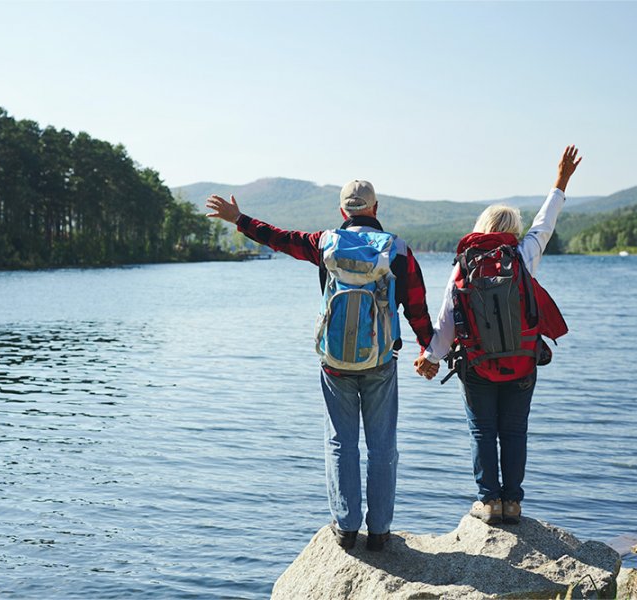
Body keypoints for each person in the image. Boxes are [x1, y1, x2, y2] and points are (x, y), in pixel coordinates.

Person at [206, 181, 434, 551]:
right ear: (376, 209)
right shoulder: (399, 249)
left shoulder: (325, 242)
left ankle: (345, 527)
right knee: (382, 446)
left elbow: (280, 238)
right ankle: (379, 531)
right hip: (380, 362)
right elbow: (417, 307)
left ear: (343, 211)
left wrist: (240, 219)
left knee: (340, 442)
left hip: (334, 363)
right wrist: (429, 349)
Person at [414, 145, 582, 526]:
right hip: (522, 362)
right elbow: (546, 222)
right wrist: (561, 180)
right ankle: (514, 503)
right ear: (513, 232)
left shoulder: (464, 264)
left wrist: (430, 357)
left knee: (482, 431)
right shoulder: (522, 256)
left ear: (482, 227)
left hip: (476, 365)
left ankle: (488, 502)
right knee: (515, 431)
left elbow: (447, 319)